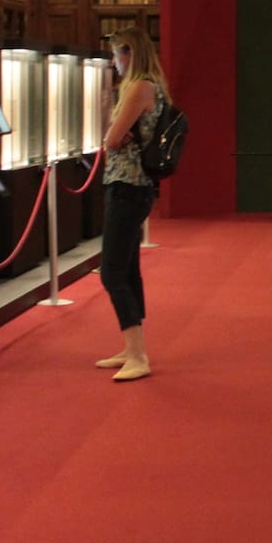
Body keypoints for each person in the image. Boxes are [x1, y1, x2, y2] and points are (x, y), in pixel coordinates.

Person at [95, 26, 170, 381]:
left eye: (116, 54)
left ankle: (138, 354)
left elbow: (110, 139)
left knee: (112, 271)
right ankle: (132, 347)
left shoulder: (139, 86)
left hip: (127, 186)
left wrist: (114, 132)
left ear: (129, 53)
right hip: (132, 186)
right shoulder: (149, 86)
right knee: (126, 269)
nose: (114, 62)